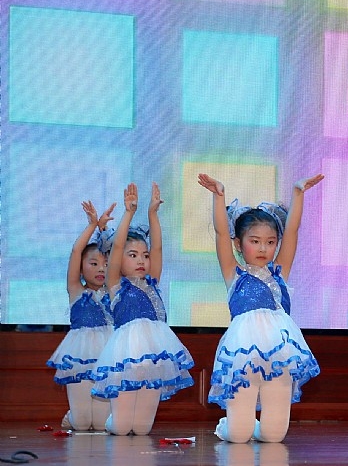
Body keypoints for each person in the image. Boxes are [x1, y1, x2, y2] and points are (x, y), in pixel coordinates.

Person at [198, 173, 323, 443]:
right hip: (242, 354)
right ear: (239, 244)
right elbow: (221, 232)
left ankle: (252, 424)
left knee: (274, 436)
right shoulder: (234, 273)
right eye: (254, 241)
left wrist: (298, 194)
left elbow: (292, 231)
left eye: (270, 242)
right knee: (239, 436)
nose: (263, 248)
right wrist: (218, 196)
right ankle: (229, 424)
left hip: (280, 353)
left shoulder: (280, 272)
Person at [91, 183, 195, 435]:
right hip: (126, 354)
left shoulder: (152, 281)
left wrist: (152, 214)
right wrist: (129, 213)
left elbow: (157, 248)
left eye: (144, 255)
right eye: (133, 255)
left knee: (142, 429)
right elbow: (116, 247)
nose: (141, 260)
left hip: (155, 354)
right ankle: (110, 421)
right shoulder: (115, 284)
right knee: (121, 428)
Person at [47, 201, 115, 430]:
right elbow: (76, 251)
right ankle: (74, 415)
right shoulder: (76, 290)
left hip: (108, 354)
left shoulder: (114, 291)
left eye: (106, 264)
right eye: (94, 263)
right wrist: (92, 225)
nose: (101, 269)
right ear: (81, 268)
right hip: (79, 355)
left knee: (102, 425)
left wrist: (105, 230)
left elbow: (117, 254)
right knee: (83, 424)